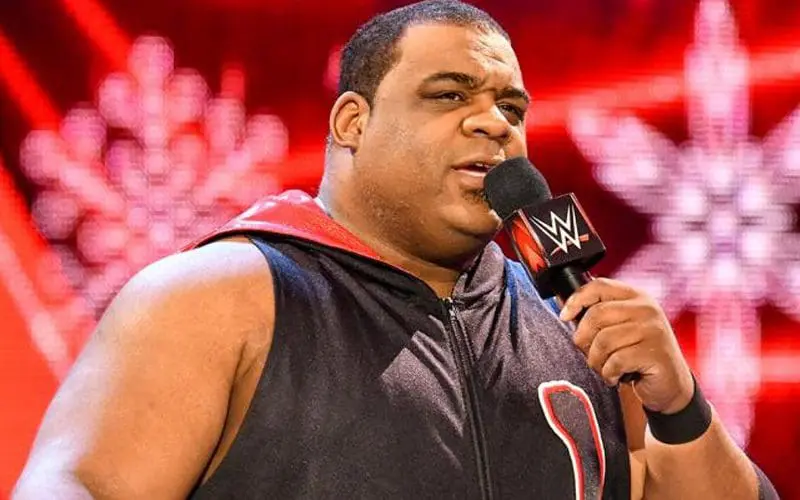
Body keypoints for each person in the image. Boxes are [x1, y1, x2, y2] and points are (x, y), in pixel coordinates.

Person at [14, 1, 777, 498]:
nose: (494, 122)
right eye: (449, 95)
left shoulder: (578, 326)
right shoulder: (218, 297)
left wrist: (680, 408)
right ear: (352, 122)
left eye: (510, 107)